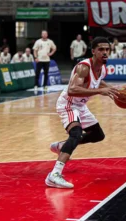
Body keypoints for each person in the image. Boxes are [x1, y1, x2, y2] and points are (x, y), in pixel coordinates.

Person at [45, 37, 120, 188]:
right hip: (68, 103)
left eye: (107, 49)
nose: (105, 52)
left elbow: (98, 81)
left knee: (98, 135)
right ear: (93, 51)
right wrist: (100, 91)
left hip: (81, 105)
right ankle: (54, 174)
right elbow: (72, 90)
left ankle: (62, 146)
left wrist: (110, 89)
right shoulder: (84, 67)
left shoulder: (102, 68)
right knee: (76, 134)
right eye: (101, 49)